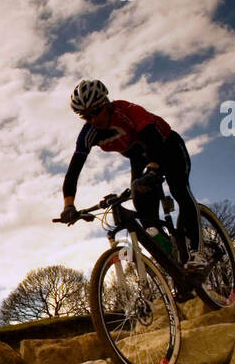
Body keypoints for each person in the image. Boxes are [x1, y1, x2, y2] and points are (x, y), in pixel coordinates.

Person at [58, 79, 207, 272]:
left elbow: (152, 138)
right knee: (143, 210)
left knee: (179, 190)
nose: (93, 119)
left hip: (166, 146)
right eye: (86, 116)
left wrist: (154, 169)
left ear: (106, 104)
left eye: (96, 111)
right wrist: (68, 205)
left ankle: (197, 252)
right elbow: (74, 169)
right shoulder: (89, 133)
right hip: (138, 156)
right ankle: (173, 253)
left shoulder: (127, 111)